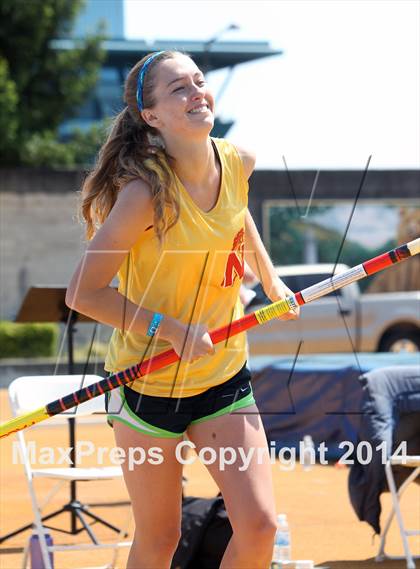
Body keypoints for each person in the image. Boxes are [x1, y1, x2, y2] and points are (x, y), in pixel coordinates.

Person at [66, 50, 299, 569]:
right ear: (151, 117)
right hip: (149, 387)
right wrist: (167, 327)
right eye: (179, 89)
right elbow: (83, 293)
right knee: (160, 540)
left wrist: (271, 277)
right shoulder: (143, 194)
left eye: (199, 81)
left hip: (221, 377)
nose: (197, 92)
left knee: (259, 528)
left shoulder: (238, 161)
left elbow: (237, 217)